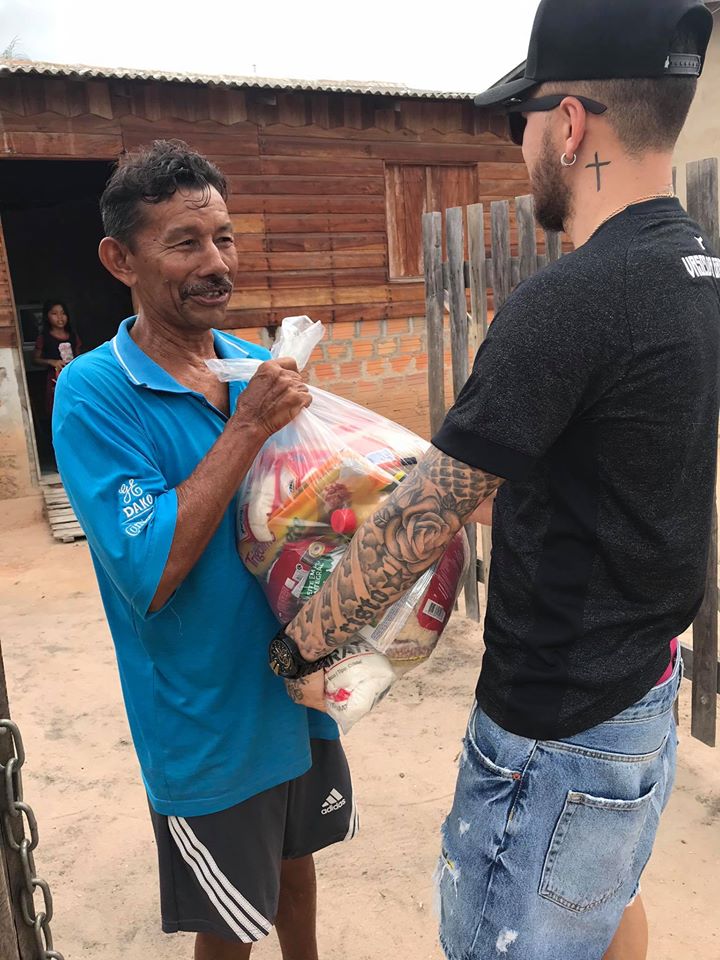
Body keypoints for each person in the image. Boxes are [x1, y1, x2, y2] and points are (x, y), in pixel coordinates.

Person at [268, 2, 718, 959]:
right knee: (606, 908)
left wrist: (300, 647)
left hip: (555, 728)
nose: (520, 145)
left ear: (570, 124)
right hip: (642, 688)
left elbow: (421, 520)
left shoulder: (573, 299)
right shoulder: (700, 273)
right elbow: (616, 463)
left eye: (523, 119)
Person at [52, 140, 357, 960]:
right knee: (231, 921)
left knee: (295, 870)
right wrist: (249, 425)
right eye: (185, 242)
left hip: (293, 690)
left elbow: (313, 515)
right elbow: (149, 571)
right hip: (207, 723)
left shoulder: (256, 365)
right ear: (121, 259)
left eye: (223, 238)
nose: (216, 262)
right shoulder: (94, 392)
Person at [34, 300, 82, 417]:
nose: (60, 317)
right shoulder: (44, 338)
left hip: (73, 376)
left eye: (63, 313)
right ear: (47, 317)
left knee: (76, 405)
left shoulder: (73, 336)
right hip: (54, 380)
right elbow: (35, 360)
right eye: (54, 314)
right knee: (58, 407)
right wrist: (51, 362)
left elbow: (79, 356)